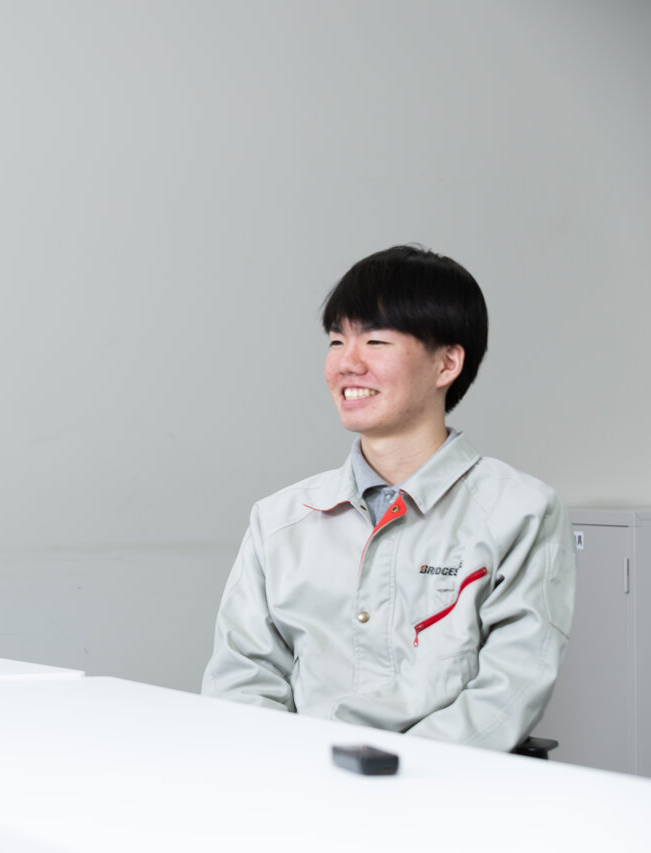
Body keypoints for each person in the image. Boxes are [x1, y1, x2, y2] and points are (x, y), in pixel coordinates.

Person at [201, 245, 575, 751]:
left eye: (375, 341)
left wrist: (387, 775)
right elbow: (240, 680)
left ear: (447, 363)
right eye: (336, 341)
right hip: (296, 784)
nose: (346, 363)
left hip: (445, 787)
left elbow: (510, 690)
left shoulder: (520, 513)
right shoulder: (280, 520)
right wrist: (293, 773)